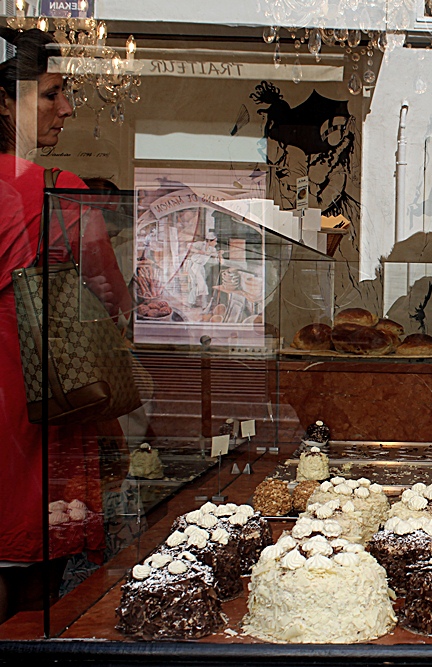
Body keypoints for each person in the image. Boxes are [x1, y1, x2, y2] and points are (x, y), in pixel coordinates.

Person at [0, 28, 130, 622]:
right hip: (38, 408)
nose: (68, 108)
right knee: (35, 597)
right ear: (5, 101)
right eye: (52, 94)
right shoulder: (62, 193)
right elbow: (114, 304)